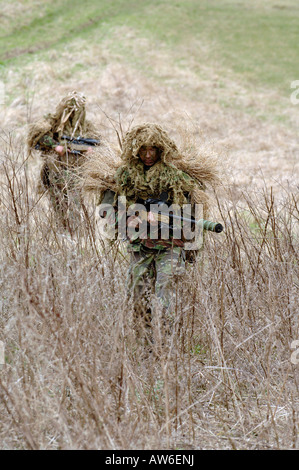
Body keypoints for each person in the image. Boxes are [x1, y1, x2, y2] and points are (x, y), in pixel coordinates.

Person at [83, 122, 219, 331]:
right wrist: (130, 220)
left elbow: (193, 211)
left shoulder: (177, 178)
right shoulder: (122, 177)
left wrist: (189, 245)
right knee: (138, 299)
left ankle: (166, 347)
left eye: (152, 149)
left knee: (166, 296)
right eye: (143, 149)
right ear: (135, 150)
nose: (148, 155)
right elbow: (105, 212)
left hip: (170, 246)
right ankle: (145, 348)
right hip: (140, 247)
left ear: (161, 150)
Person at [27, 90, 101, 233]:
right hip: (55, 173)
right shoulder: (54, 123)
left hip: (76, 174)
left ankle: (74, 236)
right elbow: (38, 135)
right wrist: (56, 146)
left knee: (74, 207)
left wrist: (87, 150)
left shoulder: (86, 128)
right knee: (59, 207)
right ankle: (63, 235)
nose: (74, 115)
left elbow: (97, 142)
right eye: (71, 111)